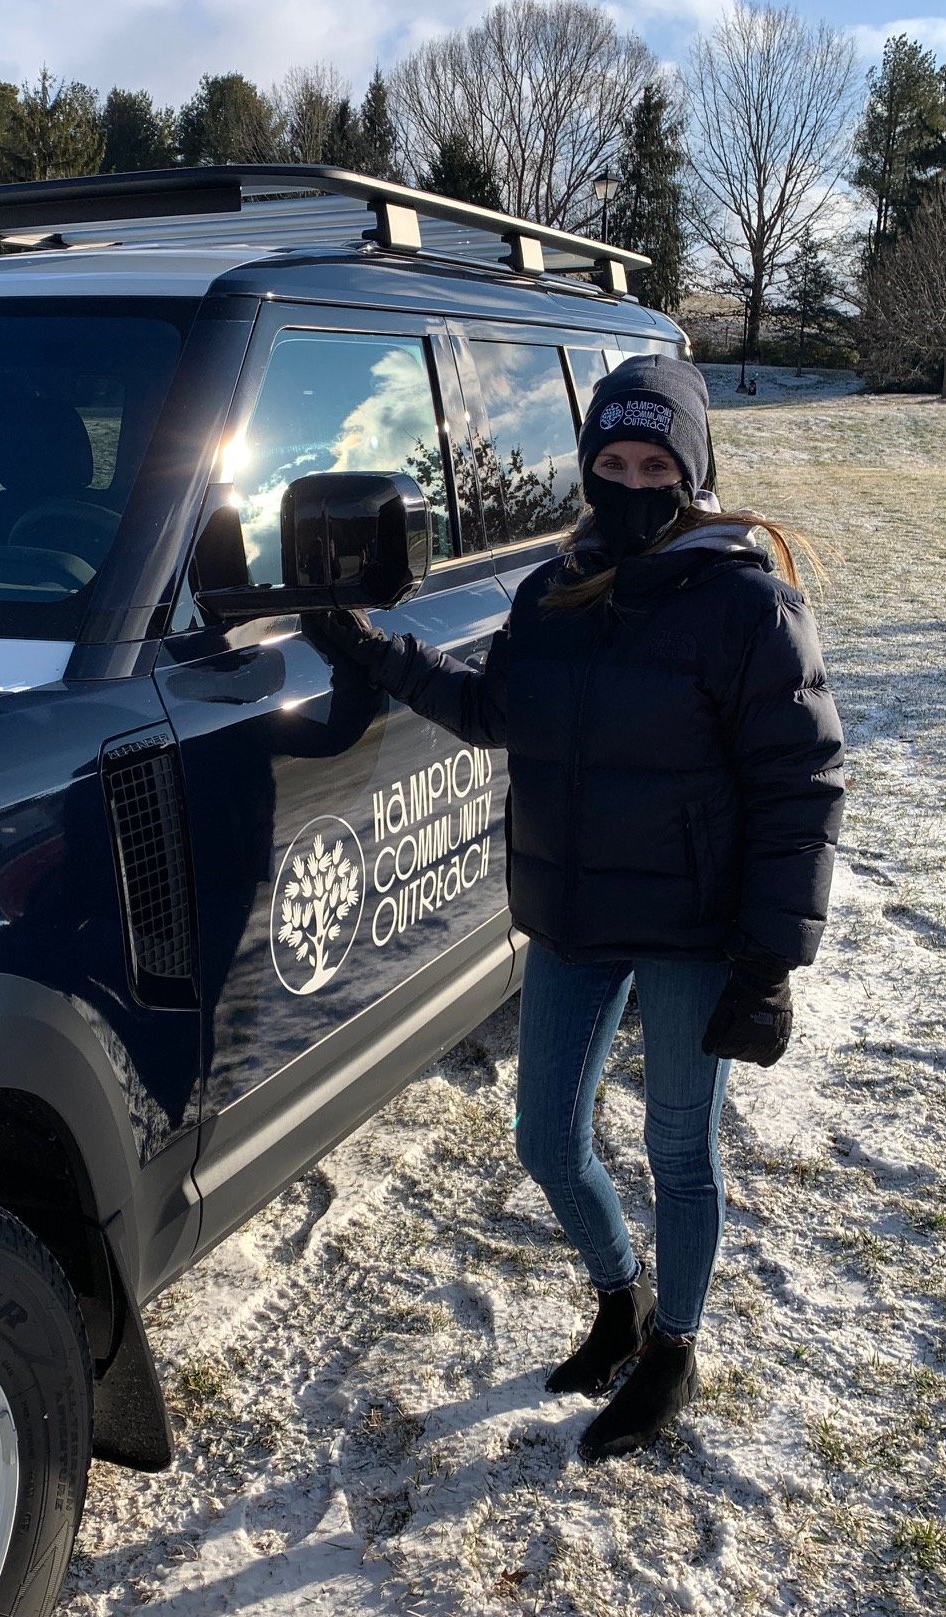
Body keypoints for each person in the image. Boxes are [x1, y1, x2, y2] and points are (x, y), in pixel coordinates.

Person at [310, 354, 844, 1460]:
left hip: (699, 929)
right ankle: (622, 1299)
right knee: (547, 1136)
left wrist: (772, 960)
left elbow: (802, 788)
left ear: (692, 476)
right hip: (576, 918)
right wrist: (376, 651)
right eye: (615, 460)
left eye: (658, 463)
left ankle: (675, 1351)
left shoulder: (749, 605)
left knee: (679, 1152)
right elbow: (494, 708)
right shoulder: (551, 594)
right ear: (590, 468)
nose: (634, 480)